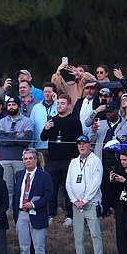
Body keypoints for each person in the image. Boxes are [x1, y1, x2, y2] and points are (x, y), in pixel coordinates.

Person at [66, 135, 105, 254]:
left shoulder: (96, 161)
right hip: (77, 205)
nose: (82, 146)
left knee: (95, 235)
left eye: (84, 143)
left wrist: (86, 199)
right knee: (78, 236)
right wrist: (74, 200)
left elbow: (96, 182)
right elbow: (68, 183)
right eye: (79, 144)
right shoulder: (74, 162)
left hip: (91, 203)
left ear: (90, 145)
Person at [13, 148, 53, 254]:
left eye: (30, 158)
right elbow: (15, 195)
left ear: (36, 160)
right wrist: (16, 215)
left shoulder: (44, 176)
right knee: (24, 247)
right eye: (26, 158)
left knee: (38, 246)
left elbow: (49, 196)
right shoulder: (19, 175)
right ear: (23, 160)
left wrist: (34, 204)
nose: (28, 161)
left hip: (37, 214)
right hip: (22, 214)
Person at [40, 93, 82, 225]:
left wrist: (75, 160)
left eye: (62, 103)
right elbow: (43, 137)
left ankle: (70, 215)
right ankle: (50, 214)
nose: (59, 106)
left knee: (68, 189)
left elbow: (79, 141)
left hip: (69, 160)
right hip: (52, 161)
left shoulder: (75, 121)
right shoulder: (52, 120)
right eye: (58, 103)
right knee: (51, 188)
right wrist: (46, 128)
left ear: (69, 105)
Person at [0, 97, 33, 208]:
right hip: (5, 159)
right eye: (9, 105)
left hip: (20, 159)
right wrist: (17, 137)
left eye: (13, 104)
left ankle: (21, 208)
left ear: (18, 106)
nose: (11, 107)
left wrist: (9, 137)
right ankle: (8, 211)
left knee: (21, 186)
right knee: (8, 187)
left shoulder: (27, 121)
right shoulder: (2, 121)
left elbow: (27, 139)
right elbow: (0, 139)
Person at [29, 82, 58, 156]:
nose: (47, 94)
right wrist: (31, 146)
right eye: (45, 92)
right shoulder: (36, 107)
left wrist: (56, 101)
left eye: (49, 92)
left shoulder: (58, 106)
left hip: (55, 146)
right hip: (39, 147)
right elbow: (31, 126)